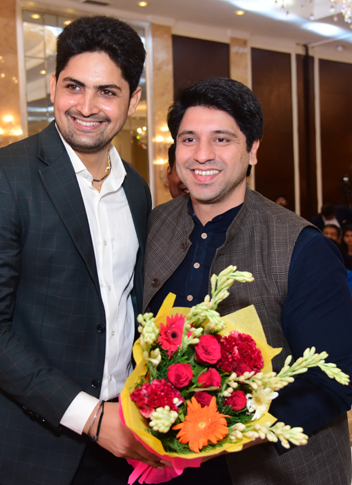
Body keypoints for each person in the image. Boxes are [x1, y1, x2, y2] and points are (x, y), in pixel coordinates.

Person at [0, 15, 158, 485]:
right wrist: (91, 417)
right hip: (23, 450)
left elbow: (125, 310)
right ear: (52, 86)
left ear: (133, 100)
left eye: (107, 92)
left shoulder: (136, 190)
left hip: (120, 441)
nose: (86, 106)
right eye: (74, 87)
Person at [143, 77, 352, 484]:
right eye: (188, 139)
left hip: (279, 468)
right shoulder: (152, 227)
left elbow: (335, 377)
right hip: (169, 467)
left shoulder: (300, 246)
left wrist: (229, 433)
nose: (202, 154)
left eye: (221, 139)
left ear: (253, 149)